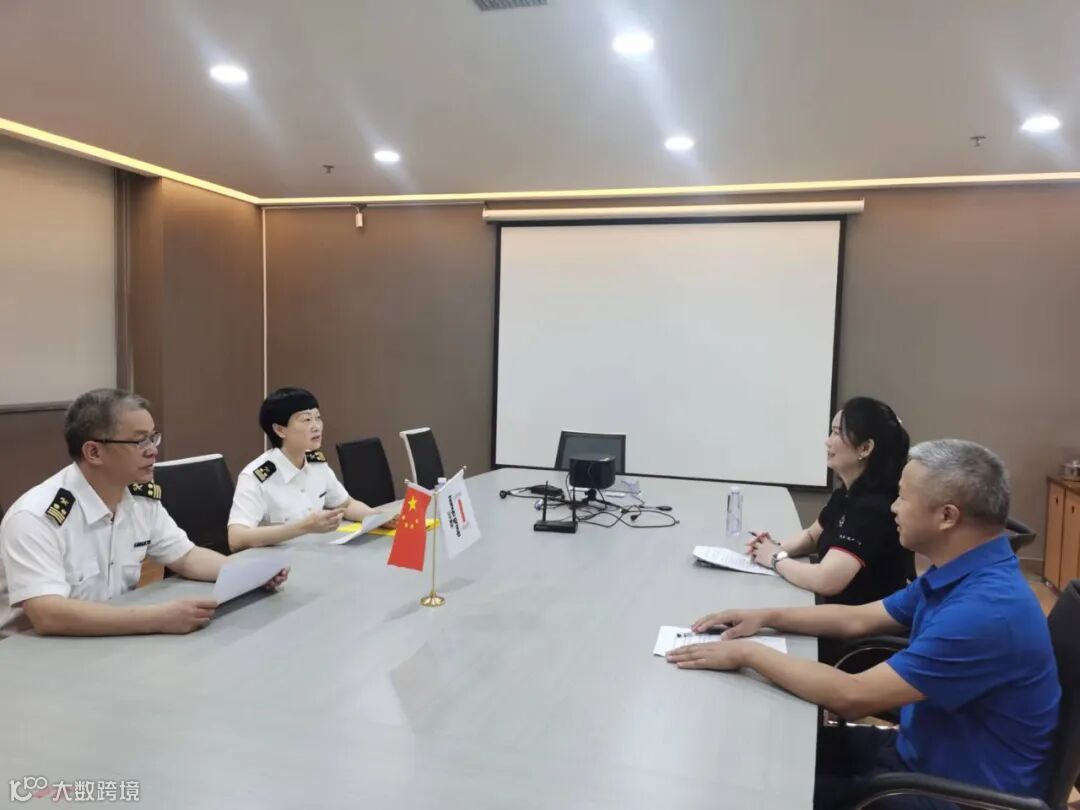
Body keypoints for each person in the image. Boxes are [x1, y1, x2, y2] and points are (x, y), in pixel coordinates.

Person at [667, 440, 1060, 809]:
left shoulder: (985, 611)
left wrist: (746, 653)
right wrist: (765, 617)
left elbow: (852, 696)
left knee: (758, 795)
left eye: (903, 498)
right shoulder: (962, 571)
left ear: (947, 516)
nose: (893, 508)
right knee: (760, 753)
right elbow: (856, 618)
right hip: (918, 754)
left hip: (949, 794)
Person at [0, 389, 288, 638]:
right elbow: (48, 615)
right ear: (94, 452)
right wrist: (158, 618)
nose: (153, 451)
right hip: (34, 655)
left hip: (109, 639)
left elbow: (186, 556)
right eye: (139, 441)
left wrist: (248, 576)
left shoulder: (139, 498)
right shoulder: (36, 517)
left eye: (153, 438)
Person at [748, 397, 914, 606]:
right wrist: (772, 547)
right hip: (834, 611)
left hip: (856, 622)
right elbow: (811, 536)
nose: (828, 441)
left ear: (865, 448)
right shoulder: (846, 494)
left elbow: (826, 580)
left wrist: (775, 559)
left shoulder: (874, 509)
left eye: (837, 433)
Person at [228, 387, 392, 551]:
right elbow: (236, 539)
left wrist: (380, 518)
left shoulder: (316, 463)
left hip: (315, 553)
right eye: (306, 419)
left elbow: (346, 504)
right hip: (275, 562)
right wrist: (302, 528)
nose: (316, 426)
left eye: (318, 418)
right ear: (280, 430)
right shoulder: (256, 477)